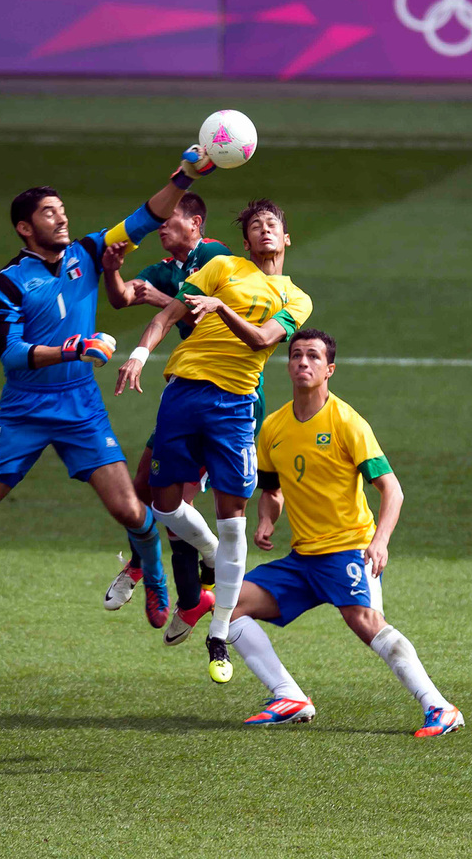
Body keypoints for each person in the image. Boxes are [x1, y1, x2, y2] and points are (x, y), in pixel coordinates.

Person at [0, 147, 216, 661]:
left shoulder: (88, 252)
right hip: (23, 413)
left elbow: (145, 217)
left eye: (63, 210)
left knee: (128, 509)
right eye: (49, 212)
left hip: (80, 407)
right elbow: (11, 357)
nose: (62, 218)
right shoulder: (7, 284)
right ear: (24, 228)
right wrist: (74, 348)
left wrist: (184, 176)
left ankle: (156, 580)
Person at [229, 328, 464, 738]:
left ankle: (440, 707)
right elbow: (272, 489)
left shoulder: (347, 422)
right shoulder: (272, 427)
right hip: (304, 558)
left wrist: (380, 541)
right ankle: (289, 696)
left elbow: (392, 489)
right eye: (297, 355)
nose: (303, 362)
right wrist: (267, 519)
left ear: (329, 369)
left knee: (365, 621)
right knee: (228, 608)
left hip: (349, 550)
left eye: (313, 357)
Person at [115, 199, 313, 683]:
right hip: (182, 392)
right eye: (257, 226)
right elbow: (168, 316)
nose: (266, 231)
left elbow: (263, 341)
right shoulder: (221, 266)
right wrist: (141, 354)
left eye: (274, 225)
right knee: (162, 506)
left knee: (233, 522)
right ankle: (205, 554)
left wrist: (221, 308)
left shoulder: (295, 297)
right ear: (246, 242)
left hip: (235, 407)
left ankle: (219, 631)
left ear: (285, 239)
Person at [102, 192, 231, 638]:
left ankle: (194, 599)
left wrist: (162, 299)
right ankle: (145, 570)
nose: (161, 227)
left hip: (222, 396)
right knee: (142, 491)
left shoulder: (216, 256)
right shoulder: (163, 270)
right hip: (185, 391)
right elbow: (122, 299)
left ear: (195, 223)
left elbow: (204, 316)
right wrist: (112, 268)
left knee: (176, 506)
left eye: (171, 221)